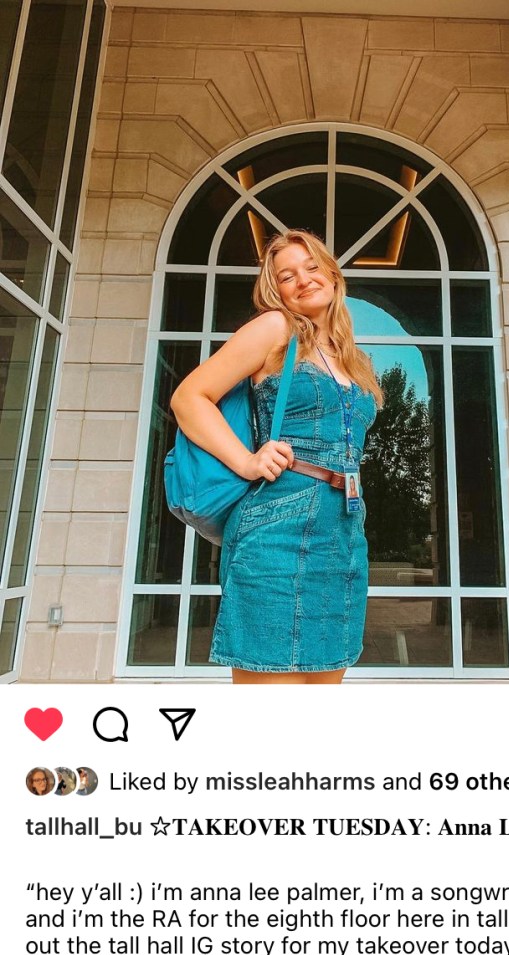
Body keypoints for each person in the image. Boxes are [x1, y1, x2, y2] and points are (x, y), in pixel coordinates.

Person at [170, 229, 382, 683]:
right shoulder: (275, 329)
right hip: (277, 526)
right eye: (288, 276)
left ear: (332, 274)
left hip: (343, 531)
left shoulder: (355, 360)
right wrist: (246, 461)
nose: (303, 279)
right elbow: (189, 397)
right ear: (277, 291)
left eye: (312, 267)